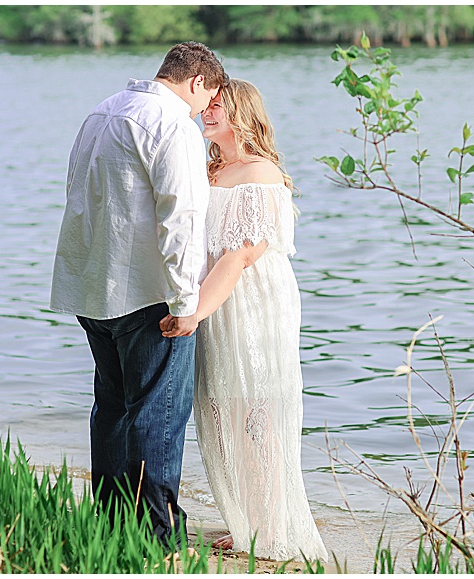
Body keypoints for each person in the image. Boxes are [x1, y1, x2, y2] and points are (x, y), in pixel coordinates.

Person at [49, 41, 227, 551]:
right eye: (208, 97)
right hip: (149, 292)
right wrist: (185, 302)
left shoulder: (101, 112)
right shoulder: (174, 124)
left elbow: (77, 197)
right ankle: (159, 541)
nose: (205, 110)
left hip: (93, 285)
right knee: (158, 416)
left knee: (112, 410)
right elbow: (183, 219)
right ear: (198, 82)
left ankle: (109, 529)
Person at [160, 79, 328, 562]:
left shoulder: (261, 172)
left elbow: (239, 257)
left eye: (217, 107)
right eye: (206, 104)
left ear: (241, 113)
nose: (207, 112)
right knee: (220, 405)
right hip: (214, 296)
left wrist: (193, 313)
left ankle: (272, 529)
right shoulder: (209, 167)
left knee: (257, 409)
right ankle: (245, 520)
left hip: (253, 301)